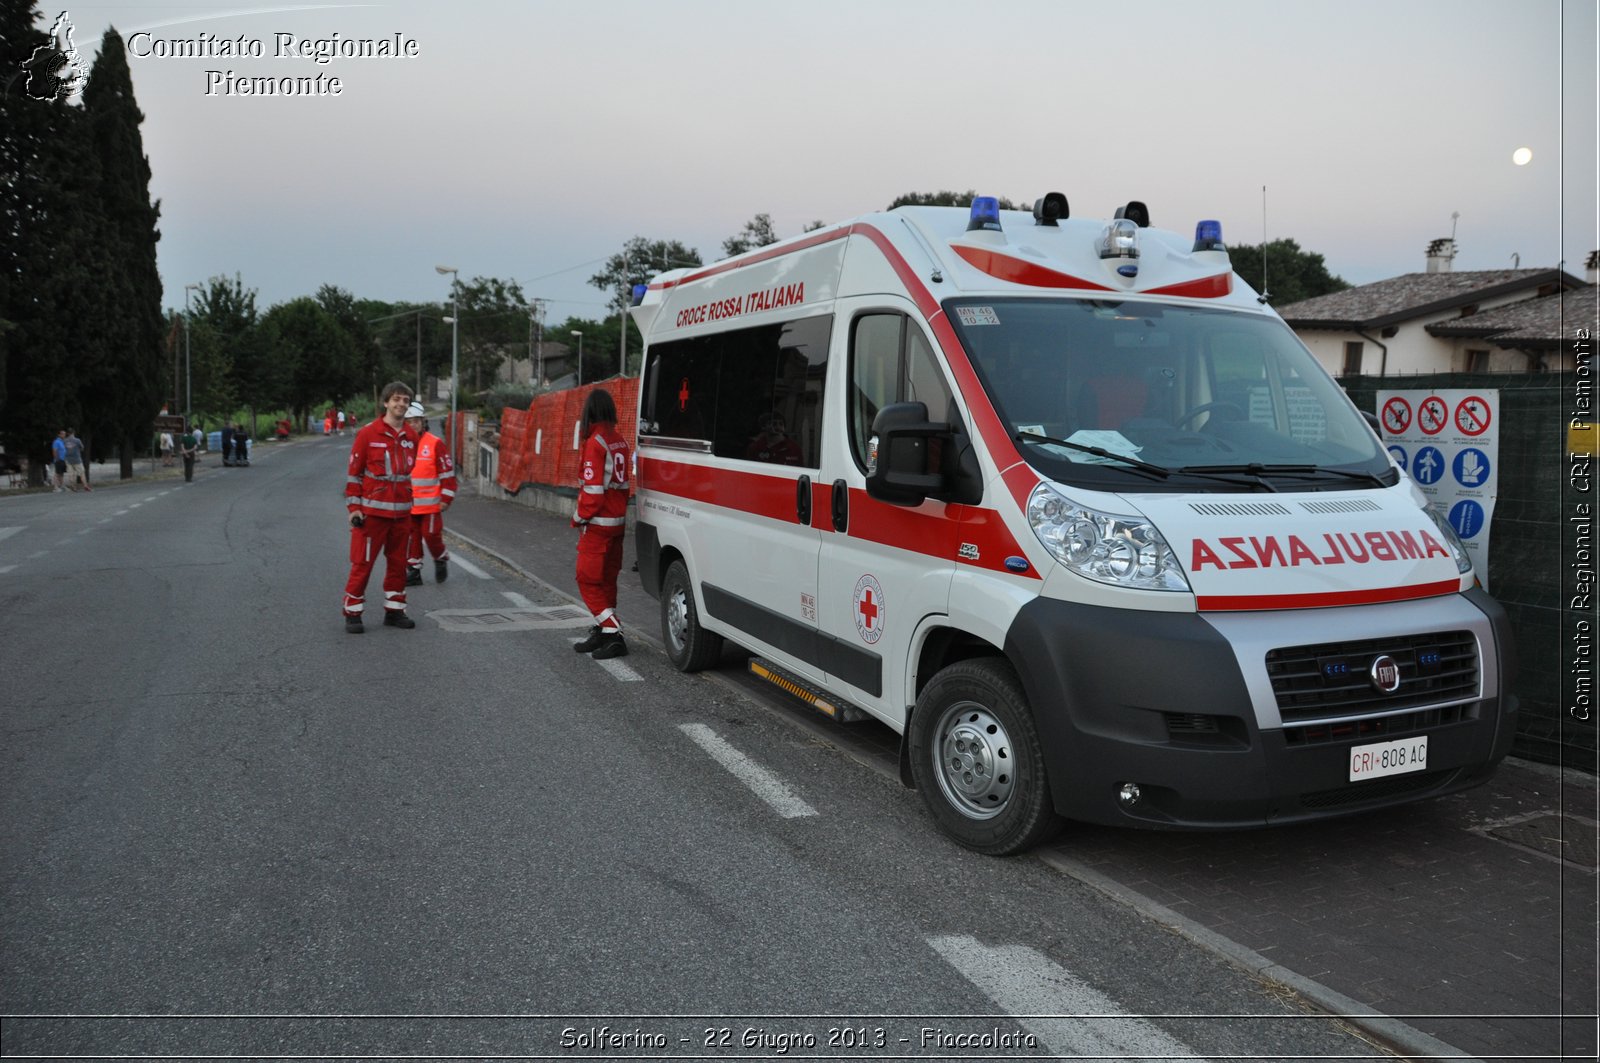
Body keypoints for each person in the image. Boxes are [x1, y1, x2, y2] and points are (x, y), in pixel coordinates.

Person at [342, 381, 416, 634]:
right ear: (386, 402)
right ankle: (352, 613)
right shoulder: (368, 434)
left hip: (402, 515)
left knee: (398, 563)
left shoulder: (411, 437)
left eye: (405, 400)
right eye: (396, 399)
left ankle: (395, 611)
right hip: (372, 515)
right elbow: (354, 475)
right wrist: (354, 508)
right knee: (363, 563)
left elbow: (408, 474)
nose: (400, 404)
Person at [571, 388, 632, 659]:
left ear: (589, 412)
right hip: (617, 522)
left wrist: (578, 517)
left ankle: (612, 629)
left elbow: (593, 493)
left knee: (586, 579)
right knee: (607, 580)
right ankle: (604, 633)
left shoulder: (595, 442)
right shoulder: (618, 439)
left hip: (598, 524)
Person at [403, 402, 456, 586]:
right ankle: (414, 571)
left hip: (431, 504)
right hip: (409, 504)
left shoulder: (434, 443)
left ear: (423, 421)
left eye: (415, 421)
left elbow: (447, 473)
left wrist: (446, 498)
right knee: (412, 538)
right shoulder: (401, 444)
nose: (412, 425)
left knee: (431, 534)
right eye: (408, 421)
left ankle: (440, 557)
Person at [61, 427, 89, 491]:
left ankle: (73, 487)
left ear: (68, 433)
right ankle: (85, 485)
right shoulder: (77, 440)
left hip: (68, 459)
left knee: (71, 474)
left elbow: (64, 449)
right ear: (73, 433)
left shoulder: (64, 441)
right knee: (81, 473)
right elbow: (82, 448)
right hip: (77, 459)